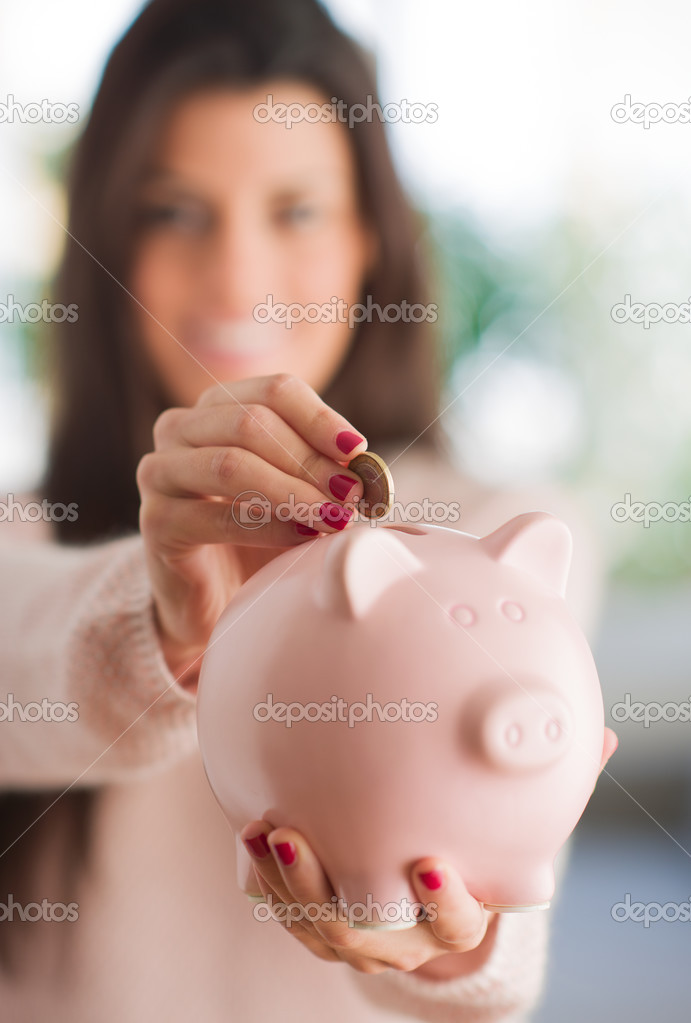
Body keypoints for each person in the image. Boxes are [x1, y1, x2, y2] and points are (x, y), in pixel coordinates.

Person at [0, 0, 616, 1019]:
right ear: (107, 241)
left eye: (294, 211)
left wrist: (446, 946)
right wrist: (159, 622)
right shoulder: (29, 533)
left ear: (370, 244)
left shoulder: (506, 529)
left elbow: (487, 964)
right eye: (175, 212)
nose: (237, 276)